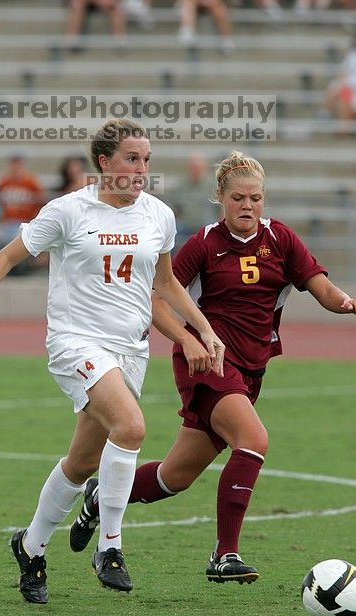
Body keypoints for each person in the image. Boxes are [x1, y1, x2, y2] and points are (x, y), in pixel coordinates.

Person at [0, 118, 225, 604]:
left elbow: (166, 284)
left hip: (131, 351)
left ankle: (30, 547)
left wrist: (203, 328)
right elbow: (7, 257)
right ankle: (110, 546)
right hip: (76, 344)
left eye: (147, 160)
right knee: (132, 427)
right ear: (104, 162)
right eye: (131, 159)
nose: (142, 170)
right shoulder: (67, 212)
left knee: (81, 462)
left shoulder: (156, 215)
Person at [69, 150, 356, 586]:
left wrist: (348, 304)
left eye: (256, 198)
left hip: (251, 370)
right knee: (254, 438)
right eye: (239, 197)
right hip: (207, 361)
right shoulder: (204, 243)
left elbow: (326, 291)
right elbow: (158, 297)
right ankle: (225, 554)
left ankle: (102, 494)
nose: (248, 206)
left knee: (175, 477)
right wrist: (187, 338)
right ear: (219, 196)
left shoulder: (280, 240)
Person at [0, 154, 47, 273]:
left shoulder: (31, 182)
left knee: (14, 239)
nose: (15, 167)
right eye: (13, 163)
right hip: (6, 223)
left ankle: (18, 270)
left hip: (24, 223)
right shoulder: (4, 181)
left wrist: (33, 222)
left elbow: (42, 203)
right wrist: (0, 221)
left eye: (18, 163)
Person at [166, 153, 220, 252]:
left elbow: (221, 211)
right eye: (193, 167)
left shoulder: (214, 187)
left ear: (205, 168)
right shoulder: (181, 187)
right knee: (171, 233)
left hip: (206, 224)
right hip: (186, 225)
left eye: (198, 167)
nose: (196, 170)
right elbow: (174, 209)